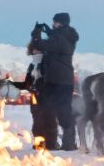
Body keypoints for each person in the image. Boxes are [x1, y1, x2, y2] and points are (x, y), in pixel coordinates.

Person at [31, 12, 79, 151]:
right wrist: (49, 30)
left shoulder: (59, 38)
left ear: (60, 23)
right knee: (65, 112)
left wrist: (36, 33)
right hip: (66, 80)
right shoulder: (68, 36)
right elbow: (56, 40)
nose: (53, 23)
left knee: (44, 111)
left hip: (54, 80)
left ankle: (45, 144)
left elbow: (41, 45)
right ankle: (69, 144)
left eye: (55, 21)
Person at [12, 43, 51, 147]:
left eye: (37, 50)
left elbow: (48, 80)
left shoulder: (47, 63)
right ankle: (39, 143)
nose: (35, 52)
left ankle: (49, 143)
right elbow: (26, 84)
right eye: (34, 50)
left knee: (45, 120)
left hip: (45, 97)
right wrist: (11, 84)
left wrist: (39, 88)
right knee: (37, 121)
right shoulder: (32, 65)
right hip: (34, 97)